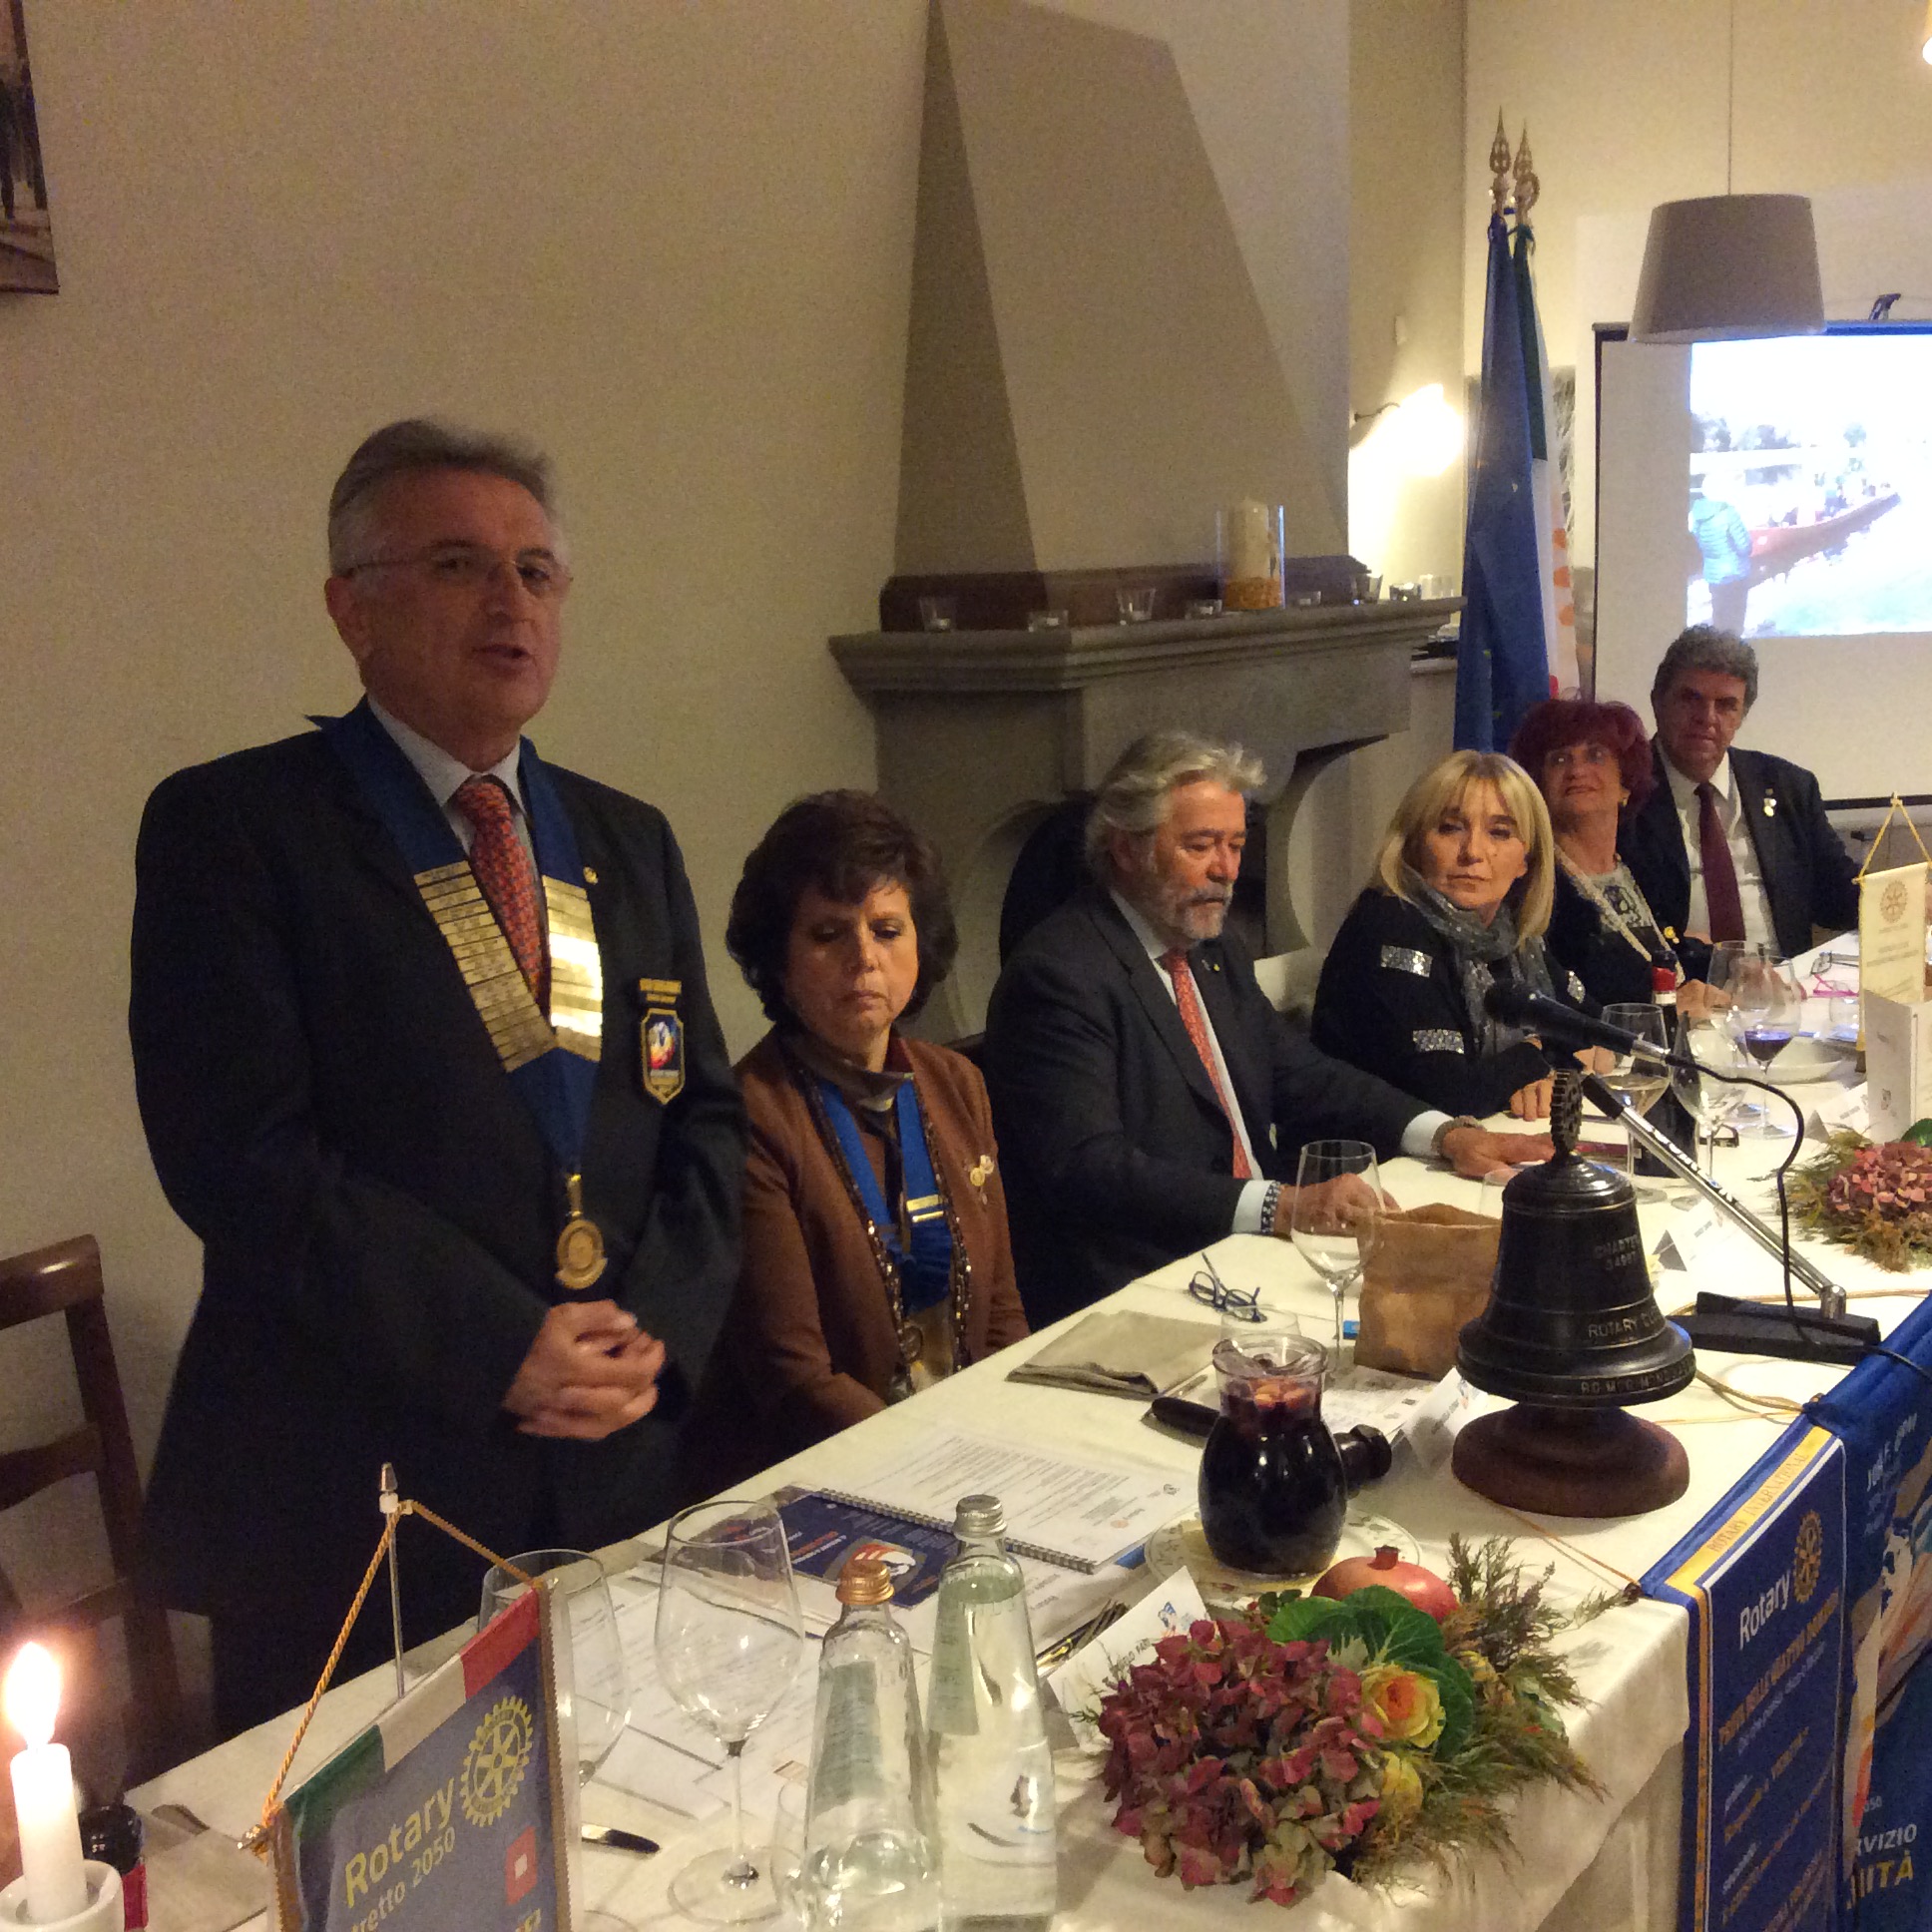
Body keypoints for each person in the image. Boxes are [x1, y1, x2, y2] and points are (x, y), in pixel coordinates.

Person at [130, 419, 742, 1737]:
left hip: (607, 1462)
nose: (510, 601)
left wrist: (652, 1338)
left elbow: (702, 1117)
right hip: (359, 1492)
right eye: (460, 564)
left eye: (536, 571)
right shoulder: (236, 829)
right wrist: (498, 1343)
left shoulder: (626, 838)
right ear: (351, 608)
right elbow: (240, 1158)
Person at [982, 731, 1550, 1326]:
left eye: (1235, 845)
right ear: (1126, 849)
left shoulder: (1212, 947)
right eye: (1200, 846)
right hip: (1142, 1288)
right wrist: (1280, 1205)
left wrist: (1445, 1135)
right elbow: (1089, 1170)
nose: (1226, 870)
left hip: (1252, 1260)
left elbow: (1301, 1074)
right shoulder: (1061, 975)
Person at [688, 792, 1027, 1481]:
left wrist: (1011, 1441)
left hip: (975, 1453)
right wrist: (939, 1463)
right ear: (780, 960)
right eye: (828, 934)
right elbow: (796, 1379)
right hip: (829, 1476)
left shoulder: (957, 1082)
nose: (864, 958)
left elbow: (1001, 1314)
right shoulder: (750, 1112)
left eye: (887, 929)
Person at [1312, 749, 1589, 1122]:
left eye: (1499, 832)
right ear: (1414, 844)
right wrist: (1539, 1052)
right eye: (1450, 828)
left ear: (1527, 859)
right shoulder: (1389, 925)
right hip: (1371, 1154)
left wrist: (1544, 1073)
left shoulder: (1507, 935)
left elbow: (1594, 1027)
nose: (1472, 852)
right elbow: (1450, 1094)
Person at [1620, 625, 1860, 981]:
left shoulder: (1789, 786)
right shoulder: (1624, 793)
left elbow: (1837, 897)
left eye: (1726, 705)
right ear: (1657, 701)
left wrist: (1903, 898)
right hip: (1684, 992)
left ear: (1742, 715)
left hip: (1782, 991)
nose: (1707, 717)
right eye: (1691, 698)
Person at [1510, 697, 1687, 1009]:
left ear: (1625, 784)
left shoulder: (1648, 869)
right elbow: (1563, 999)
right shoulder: (1533, 887)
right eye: (1559, 760)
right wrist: (1666, 1008)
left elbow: (1674, 954)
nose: (1577, 770)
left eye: (1595, 756)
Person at [1690, 485, 1753, 634]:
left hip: (1713, 574)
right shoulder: (1729, 514)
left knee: (1719, 614)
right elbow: (1744, 546)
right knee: (1735, 618)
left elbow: (1697, 541)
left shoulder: (1697, 515)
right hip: (1735, 572)